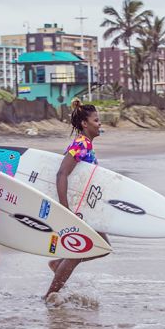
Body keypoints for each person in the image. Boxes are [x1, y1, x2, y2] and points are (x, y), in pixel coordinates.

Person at [44, 98, 109, 302]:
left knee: (102, 247)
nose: (100, 124)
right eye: (96, 120)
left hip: (86, 207)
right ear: (85, 123)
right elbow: (62, 174)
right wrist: (65, 208)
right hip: (77, 207)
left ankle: (58, 265)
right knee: (81, 249)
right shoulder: (80, 143)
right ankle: (50, 295)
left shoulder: (86, 144)